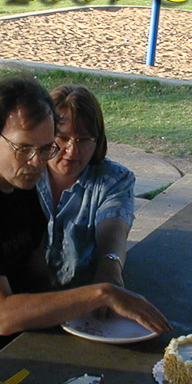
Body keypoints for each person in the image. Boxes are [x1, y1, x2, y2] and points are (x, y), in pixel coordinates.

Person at [0, 76, 168, 376]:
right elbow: (1, 316)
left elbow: (37, 272)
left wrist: (84, 306)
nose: (37, 162)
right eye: (23, 148)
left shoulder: (19, 178)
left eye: (46, 148)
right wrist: (100, 294)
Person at [37, 84, 135, 289]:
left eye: (83, 140)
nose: (72, 152)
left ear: (98, 140)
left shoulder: (115, 179)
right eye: (62, 139)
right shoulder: (25, 173)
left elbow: (114, 226)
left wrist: (110, 269)